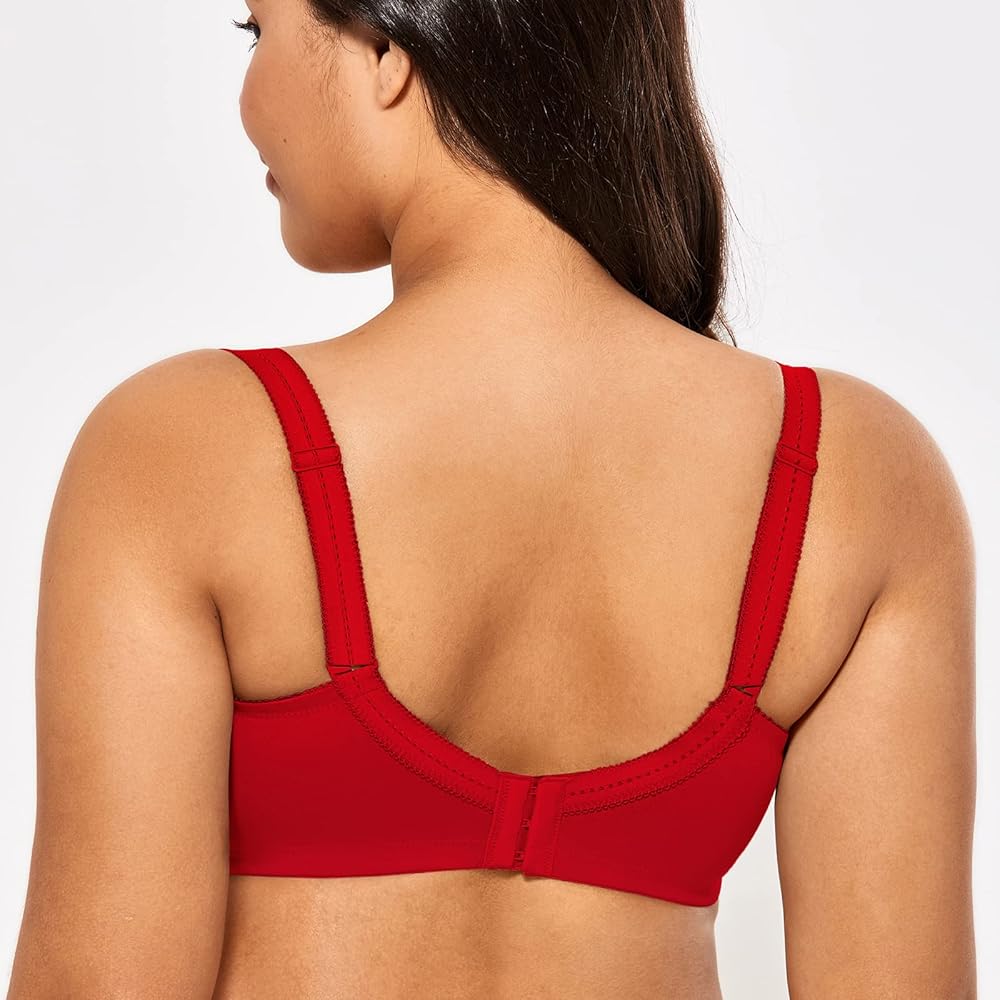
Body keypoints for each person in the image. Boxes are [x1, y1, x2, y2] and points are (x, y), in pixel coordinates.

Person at [6, 0, 977, 997]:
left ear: (388, 47)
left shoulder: (186, 451)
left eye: (256, 30)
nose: (247, 96)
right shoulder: (855, 477)